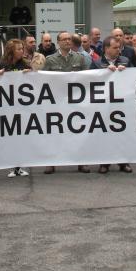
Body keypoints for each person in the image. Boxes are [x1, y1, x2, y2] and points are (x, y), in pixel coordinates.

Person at [44, 32, 90, 174]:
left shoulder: (80, 58)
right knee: (54, 134)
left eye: (69, 39)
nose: (67, 41)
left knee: (78, 133)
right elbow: (43, 80)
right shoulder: (50, 60)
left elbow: (86, 79)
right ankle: (51, 163)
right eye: (64, 39)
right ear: (58, 42)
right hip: (56, 103)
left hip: (75, 103)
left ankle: (81, 162)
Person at [95, 36, 132, 175]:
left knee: (122, 134)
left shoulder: (126, 61)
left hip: (122, 105)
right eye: (115, 48)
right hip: (104, 106)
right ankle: (104, 163)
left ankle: (123, 162)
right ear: (106, 49)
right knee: (105, 135)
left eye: (119, 48)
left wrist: (127, 71)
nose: (118, 51)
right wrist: (103, 72)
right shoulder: (97, 63)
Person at [0, 39, 31, 178]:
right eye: (18, 49)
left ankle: (19, 166)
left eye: (22, 48)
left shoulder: (25, 64)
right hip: (7, 106)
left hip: (22, 106)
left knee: (21, 137)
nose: (21, 51)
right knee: (10, 136)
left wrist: (31, 73)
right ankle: (12, 166)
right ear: (11, 51)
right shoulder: (3, 64)